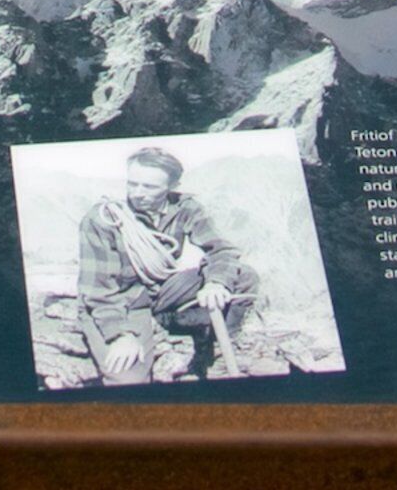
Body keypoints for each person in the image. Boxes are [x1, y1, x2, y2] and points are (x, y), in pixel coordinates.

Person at [74, 146, 259, 384]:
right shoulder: (102, 220)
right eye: (132, 184)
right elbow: (98, 289)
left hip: (159, 292)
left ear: (172, 186)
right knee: (128, 379)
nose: (137, 193)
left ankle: (214, 350)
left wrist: (216, 282)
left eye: (150, 187)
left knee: (243, 276)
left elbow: (222, 249)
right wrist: (120, 335)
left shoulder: (184, 208)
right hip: (122, 302)